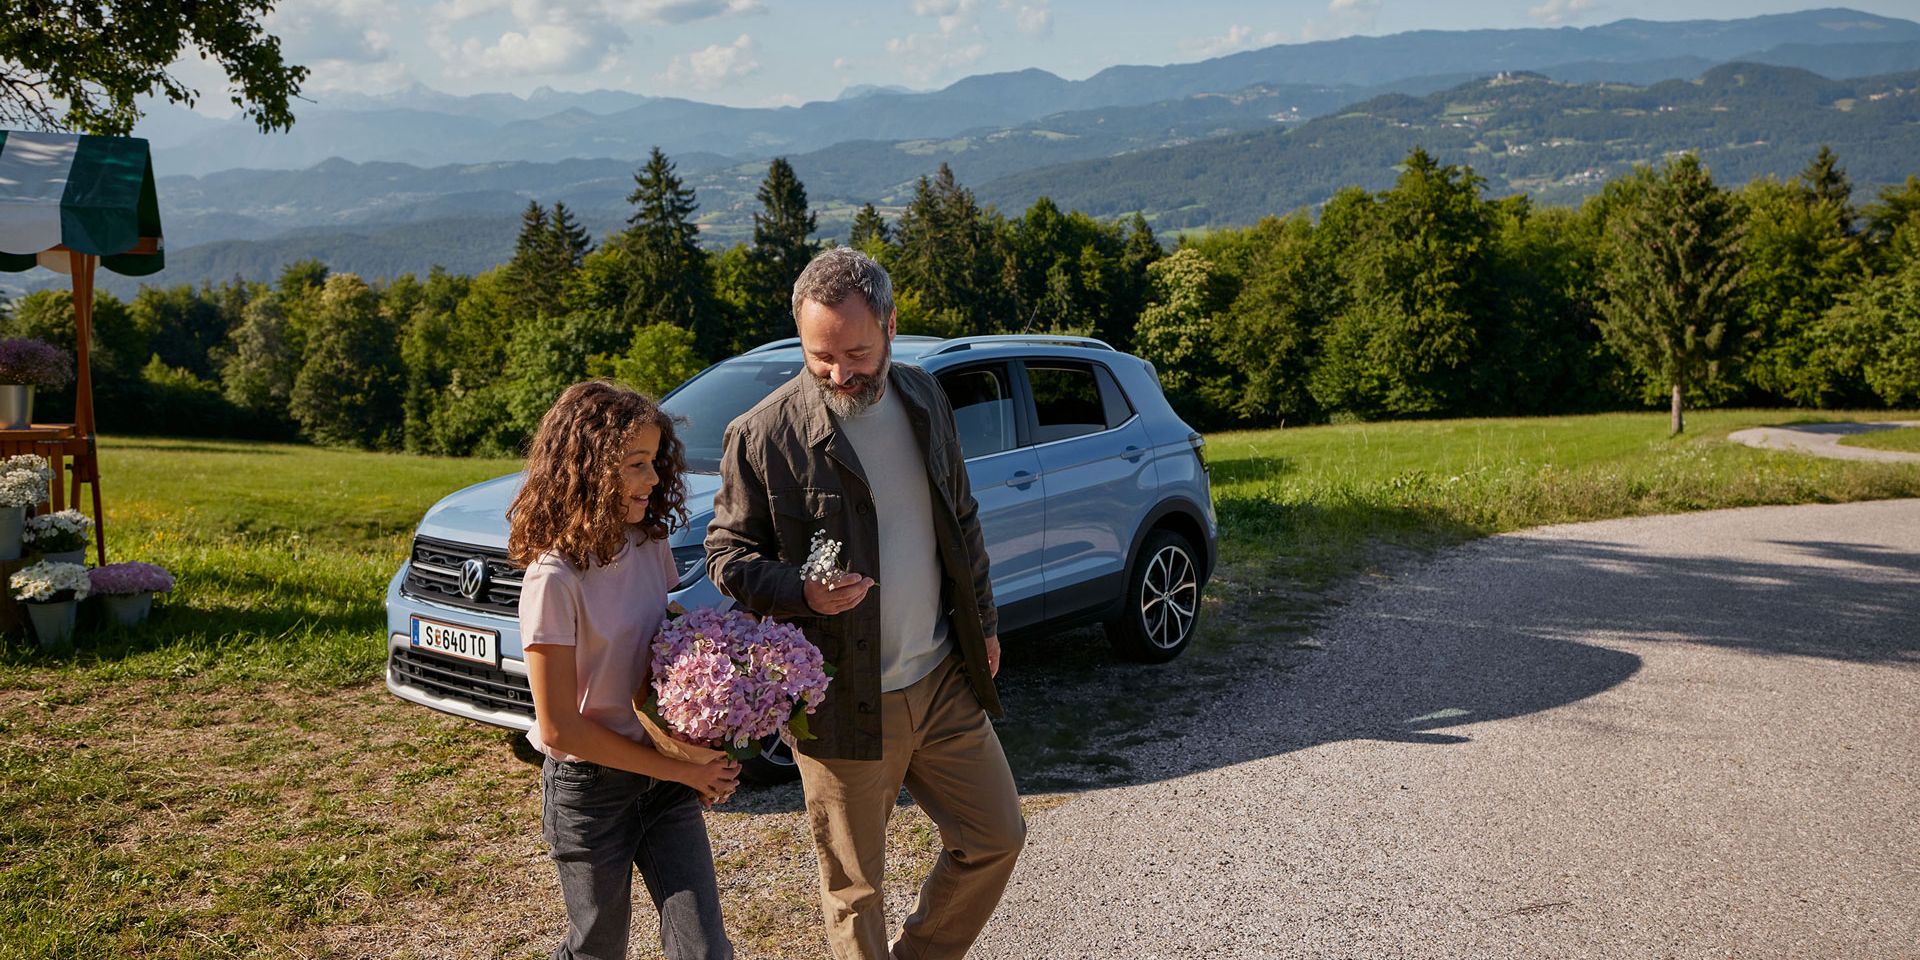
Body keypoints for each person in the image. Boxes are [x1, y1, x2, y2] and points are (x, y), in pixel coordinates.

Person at [705, 247, 1024, 960]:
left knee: (997, 837)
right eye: (821, 356)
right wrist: (802, 591)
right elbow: (726, 558)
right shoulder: (763, 434)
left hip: (941, 677)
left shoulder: (923, 397)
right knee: (855, 890)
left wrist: (986, 623)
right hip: (839, 698)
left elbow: (960, 518)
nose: (839, 373)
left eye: (856, 351)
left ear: (889, 324)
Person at [508, 380, 740, 960]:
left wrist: (725, 704)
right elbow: (560, 728)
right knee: (598, 948)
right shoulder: (553, 577)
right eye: (636, 464)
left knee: (705, 950)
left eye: (655, 462)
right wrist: (680, 769)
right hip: (589, 792)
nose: (654, 479)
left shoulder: (649, 542)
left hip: (664, 782)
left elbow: (662, 658)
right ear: (585, 469)